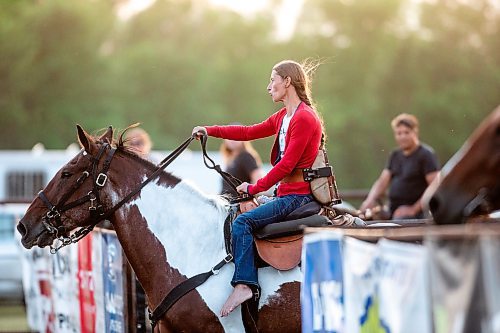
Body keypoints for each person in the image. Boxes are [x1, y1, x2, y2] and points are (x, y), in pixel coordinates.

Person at [192, 59, 324, 317]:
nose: (268, 87)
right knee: (233, 214)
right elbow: (247, 132)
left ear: (287, 82)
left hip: (296, 197)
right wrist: (210, 130)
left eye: (272, 80)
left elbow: (286, 166)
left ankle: (245, 284)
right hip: (285, 194)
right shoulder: (284, 117)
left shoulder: (304, 118)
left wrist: (254, 189)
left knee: (242, 223)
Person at [359, 113, 439, 220]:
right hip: (393, 209)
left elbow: (435, 186)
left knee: (397, 222)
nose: (402, 136)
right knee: (362, 218)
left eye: (406, 132)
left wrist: (413, 209)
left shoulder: (426, 155)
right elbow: (382, 182)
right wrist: (369, 200)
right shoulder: (395, 155)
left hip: (416, 214)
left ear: (415, 132)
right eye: (399, 133)